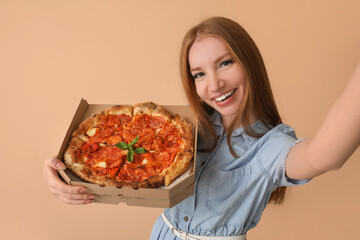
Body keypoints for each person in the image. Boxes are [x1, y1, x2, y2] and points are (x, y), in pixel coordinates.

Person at [43, 16, 360, 239]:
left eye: (225, 63)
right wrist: (58, 172)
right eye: (199, 74)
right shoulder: (183, 130)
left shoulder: (270, 147)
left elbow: (325, 155)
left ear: (249, 62)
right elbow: (110, 161)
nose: (215, 84)